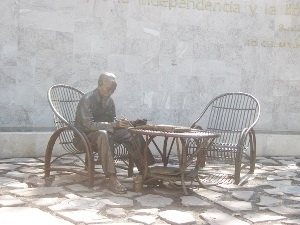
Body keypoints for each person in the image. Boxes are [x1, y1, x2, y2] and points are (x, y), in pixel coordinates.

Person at [73, 72, 155, 194]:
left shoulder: (109, 101)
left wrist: (129, 123)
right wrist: (113, 125)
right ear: (100, 84)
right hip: (83, 137)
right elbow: (88, 125)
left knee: (131, 132)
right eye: (109, 88)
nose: (111, 92)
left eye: (114, 89)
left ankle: (145, 170)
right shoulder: (87, 100)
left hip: (103, 135)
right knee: (103, 134)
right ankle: (112, 178)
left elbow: (113, 122)